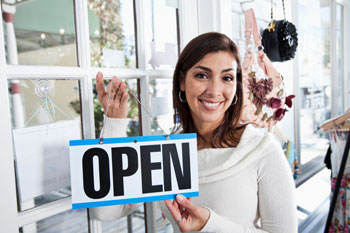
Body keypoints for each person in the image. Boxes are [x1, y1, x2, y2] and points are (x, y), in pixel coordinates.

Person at [92, 32, 297, 233]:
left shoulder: (262, 150)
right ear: (182, 80)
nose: (214, 90)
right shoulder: (164, 151)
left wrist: (210, 223)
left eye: (227, 77)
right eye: (202, 75)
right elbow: (105, 211)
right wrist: (114, 123)